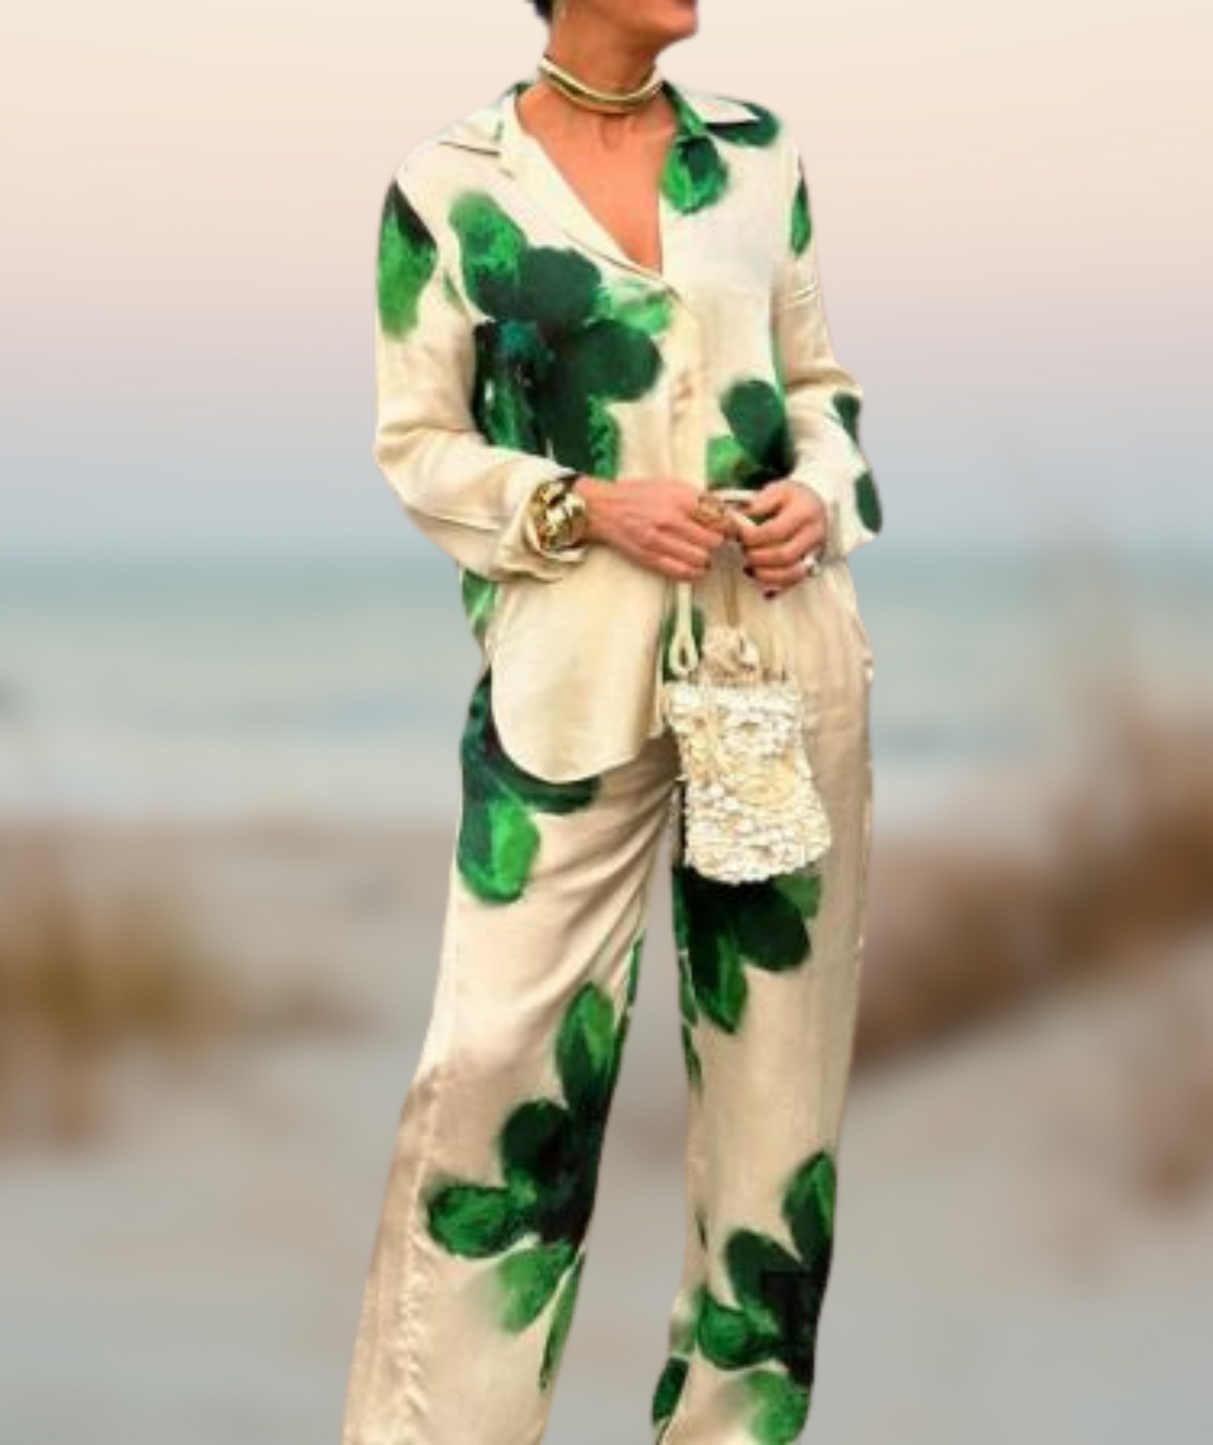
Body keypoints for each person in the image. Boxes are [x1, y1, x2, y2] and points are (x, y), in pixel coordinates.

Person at [340, 0, 884, 1440]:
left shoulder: (758, 157)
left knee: (779, 1112)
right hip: (567, 682)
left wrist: (817, 492)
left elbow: (822, 388)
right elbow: (419, 444)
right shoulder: (452, 186)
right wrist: (584, 503)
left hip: (779, 658)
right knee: (494, 1094)